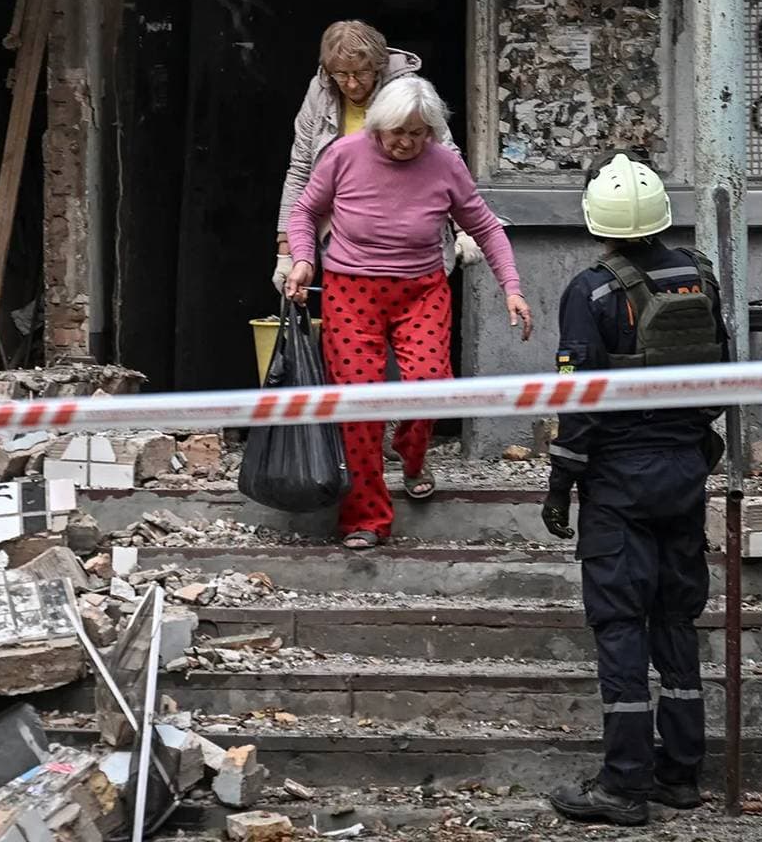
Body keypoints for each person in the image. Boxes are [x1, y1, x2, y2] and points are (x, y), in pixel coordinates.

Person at [541, 152, 732, 827]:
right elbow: (726, 375)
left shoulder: (590, 291)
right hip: (685, 471)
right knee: (675, 621)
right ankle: (681, 775)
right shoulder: (699, 278)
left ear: (597, 222)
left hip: (620, 480)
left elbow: (580, 399)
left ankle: (623, 786)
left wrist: (561, 481)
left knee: (621, 626)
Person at [284, 77, 532, 548]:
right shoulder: (344, 155)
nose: (406, 142)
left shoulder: (445, 164)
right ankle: (365, 518)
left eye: (418, 133)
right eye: (398, 132)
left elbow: (485, 226)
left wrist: (512, 288)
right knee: (358, 405)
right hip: (350, 290)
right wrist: (301, 259)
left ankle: (412, 454)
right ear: (378, 126)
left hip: (421, 290)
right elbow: (303, 212)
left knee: (431, 385)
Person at [273, 20, 481, 294]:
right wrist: (286, 252)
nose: (350, 83)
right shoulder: (320, 91)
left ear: (378, 65)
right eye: (340, 74)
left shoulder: (409, 89)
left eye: (360, 73)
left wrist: (466, 230)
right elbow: (301, 169)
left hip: (410, 230)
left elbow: (446, 156)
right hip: (347, 237)